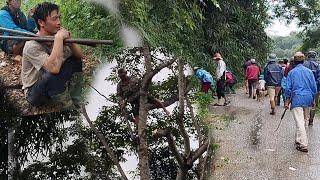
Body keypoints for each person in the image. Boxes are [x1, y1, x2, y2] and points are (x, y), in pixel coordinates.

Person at [21, 2, 84, 109]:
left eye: (59, 17)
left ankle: (75, 98)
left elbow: (79, 55)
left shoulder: (55, 35)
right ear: (41, 22)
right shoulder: (31, 45)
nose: (59, 22)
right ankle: (68, 108)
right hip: (35, 93)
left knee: (75, 61)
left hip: (52, 83)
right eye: (54, 19)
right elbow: (53, 69)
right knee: (52, 75)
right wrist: (59, 39)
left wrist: (70, 41)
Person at [284, 52, 317, 153]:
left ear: (294, 61)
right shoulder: (309, 72)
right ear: (303, 60)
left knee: (299, 122)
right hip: (308, 98)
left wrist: (287, 101)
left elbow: (288, 89)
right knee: (304, 121)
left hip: (297, 98)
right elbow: (314, 88)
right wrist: (314, 100)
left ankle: (303, 144)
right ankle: (299, 140)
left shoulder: (292, 73)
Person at [303, 50, 320, 126]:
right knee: (314, 104)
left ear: (308, 56)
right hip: (315, 88)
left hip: (304, 87)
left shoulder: (303, 64)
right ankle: (311, 120)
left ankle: (304, 119)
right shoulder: (318, 65)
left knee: (304, 103)